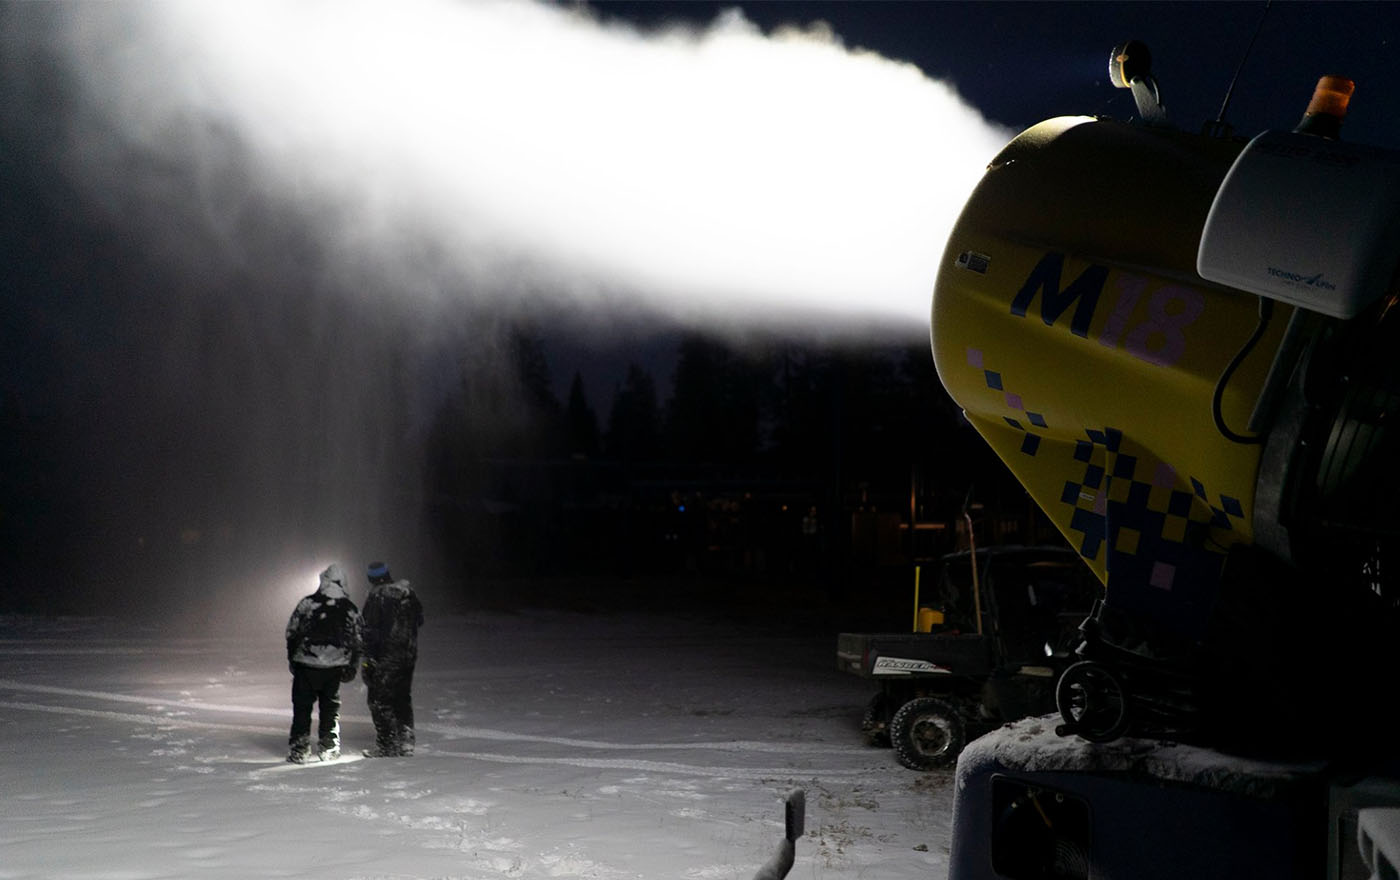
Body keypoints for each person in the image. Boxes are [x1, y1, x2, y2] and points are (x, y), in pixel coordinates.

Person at [284, 563, 363, 763]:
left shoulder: (307, 604)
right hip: (334, 668)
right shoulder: (349, 608)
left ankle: (299, 749)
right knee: (330, 709)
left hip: (306, 664)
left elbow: (291, 632)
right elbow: (358, 639)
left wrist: (293, 658)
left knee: (302, 708)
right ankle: (329, 747)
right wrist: (352, 664)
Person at [360, 560, 424, 757]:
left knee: (379, 699)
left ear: (371, 577)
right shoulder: (408, 593)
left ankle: (387, 743)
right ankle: (406, 741)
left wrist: (368, 659)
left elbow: (369, 630)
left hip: (386, 656)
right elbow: (419, 620)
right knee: (402, 697)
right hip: (408, 655)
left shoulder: (377, 596)